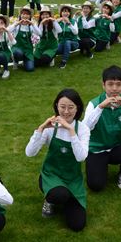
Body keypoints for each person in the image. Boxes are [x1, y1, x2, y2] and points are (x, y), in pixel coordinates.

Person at [25, 88, 89, 232]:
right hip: (51, 176)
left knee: (77, 225)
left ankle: (65, 201)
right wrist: (41, 129)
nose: (66, 111)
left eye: (71, 107)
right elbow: (29, 153)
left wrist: (71, 131)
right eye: (62, 107)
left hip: (73, 179)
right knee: (60, 194)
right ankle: (50, 200)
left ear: (77, 108)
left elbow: (81, 157)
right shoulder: (50, 128)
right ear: (56, 106)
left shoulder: (83, 129)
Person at [82, 66, 121, 191]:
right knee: (96, 186)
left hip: (117, 148)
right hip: (97, 149)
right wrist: (100, 107)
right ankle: (98, 165)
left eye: (118, 84)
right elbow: (85, 128)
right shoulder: (93, 104)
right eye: (110, 84)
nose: (114, 88)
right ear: (103, 85)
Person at [10, 6, 38, 72]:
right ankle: (16, 61)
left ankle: (25, 61)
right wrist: (16, 24)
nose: (25, 16)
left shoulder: (31, 26)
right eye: (23, 14)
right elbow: (8, 30)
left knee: (30, 69)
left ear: (30, 16)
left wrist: (32, 24)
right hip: (17, 48)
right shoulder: (17, 25)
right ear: (20, 15)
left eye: (27, 14)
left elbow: (39, 33)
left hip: (28, 50)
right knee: (18, 53)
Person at [56, 4, 79, 69]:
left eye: (67, 11)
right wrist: (56, 22)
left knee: (67, 42)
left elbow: (76, 32)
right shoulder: (59, 22)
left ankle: (64, 61)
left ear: (69, 13)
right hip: (61, 42)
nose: (65, 13)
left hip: (73, 43)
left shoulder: (73, 21)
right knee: (56, 50)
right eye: (64, 11)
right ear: (61, 13)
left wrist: (69, 23)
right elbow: (55, 32)